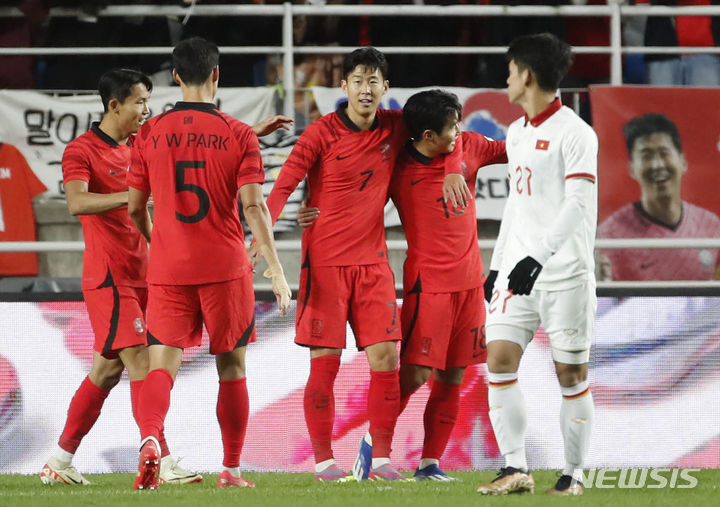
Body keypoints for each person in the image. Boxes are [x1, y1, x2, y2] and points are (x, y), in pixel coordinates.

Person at [264, 47, 465, 482]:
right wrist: (265, 239)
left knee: (386, 359)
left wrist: (452, 167)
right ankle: (323, 462)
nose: (365, 89)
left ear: (385, 88)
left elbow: (449, 131)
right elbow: (283, 185)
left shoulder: (396, 127)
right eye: (357, 80)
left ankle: (383, 459)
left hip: (373, 266)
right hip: (326, 265)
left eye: (374, 81)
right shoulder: (320, 133)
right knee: (325, 363)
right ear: (344, 86)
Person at [126, 37, 291, 491]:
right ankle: (232, 471)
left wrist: (158, 242)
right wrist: (276, 270)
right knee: (231, 367)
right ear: (217, 75)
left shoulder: (149, 132)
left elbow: (135, 208)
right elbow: (254, 208)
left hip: (169, 268)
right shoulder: (239, 134)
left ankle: (150, 438)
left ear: (175, 76)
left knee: (161, 366)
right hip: (224, 266)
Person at [40, 68, 202, 487]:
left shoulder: (141, 145)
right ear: (114, 105)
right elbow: (76, 202)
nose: (147, 110)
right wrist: (133, 196)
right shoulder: (81, 151)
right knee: (143, 364)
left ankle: (59, 460)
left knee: (105, 372)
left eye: (149, 102)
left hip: (145, 275)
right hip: (110, 279)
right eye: (140, 102)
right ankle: (161, 459)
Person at [476, 33, 598, 496]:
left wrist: (538, 257)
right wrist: (497, 264)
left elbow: (577, 205)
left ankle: (573, 475)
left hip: (563, 274)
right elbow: (516, 203)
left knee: (571, 376)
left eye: (510, 71)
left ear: (527, 75)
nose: (505, 79)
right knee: (499, 360)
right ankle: (514, 469)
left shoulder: (576, 133)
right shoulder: (518, 133)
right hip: (518, 272)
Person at [387, 90, 506, 480]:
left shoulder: (468, 147)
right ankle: (375, 454)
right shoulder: (397, 166)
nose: (459, 131)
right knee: (415, 375)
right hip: (429, 286)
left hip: (470, 286)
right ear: (425, 135)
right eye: (452, 127)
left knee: (454, 375)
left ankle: (430, 464)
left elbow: (514, 149)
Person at [598, 113, 720, 280]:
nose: (657, 164)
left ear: (683, 162)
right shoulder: (609, 236)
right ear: (632, 169)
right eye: (646, 156)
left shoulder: (711, 226)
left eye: (664, 153)